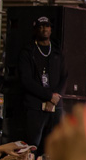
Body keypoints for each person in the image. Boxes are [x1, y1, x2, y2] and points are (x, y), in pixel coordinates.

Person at [18, 16, 68, 148]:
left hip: (55, 105)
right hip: (35, 106)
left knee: (56, 145)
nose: (43, 29)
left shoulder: (57, 52)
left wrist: (54, 96)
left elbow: (64, 76)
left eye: (46, 26)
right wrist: (48, 96)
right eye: (40, 26)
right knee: (33, 144)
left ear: (51, 29)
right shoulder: (28, 52)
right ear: (35, 30)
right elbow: (26, 80)